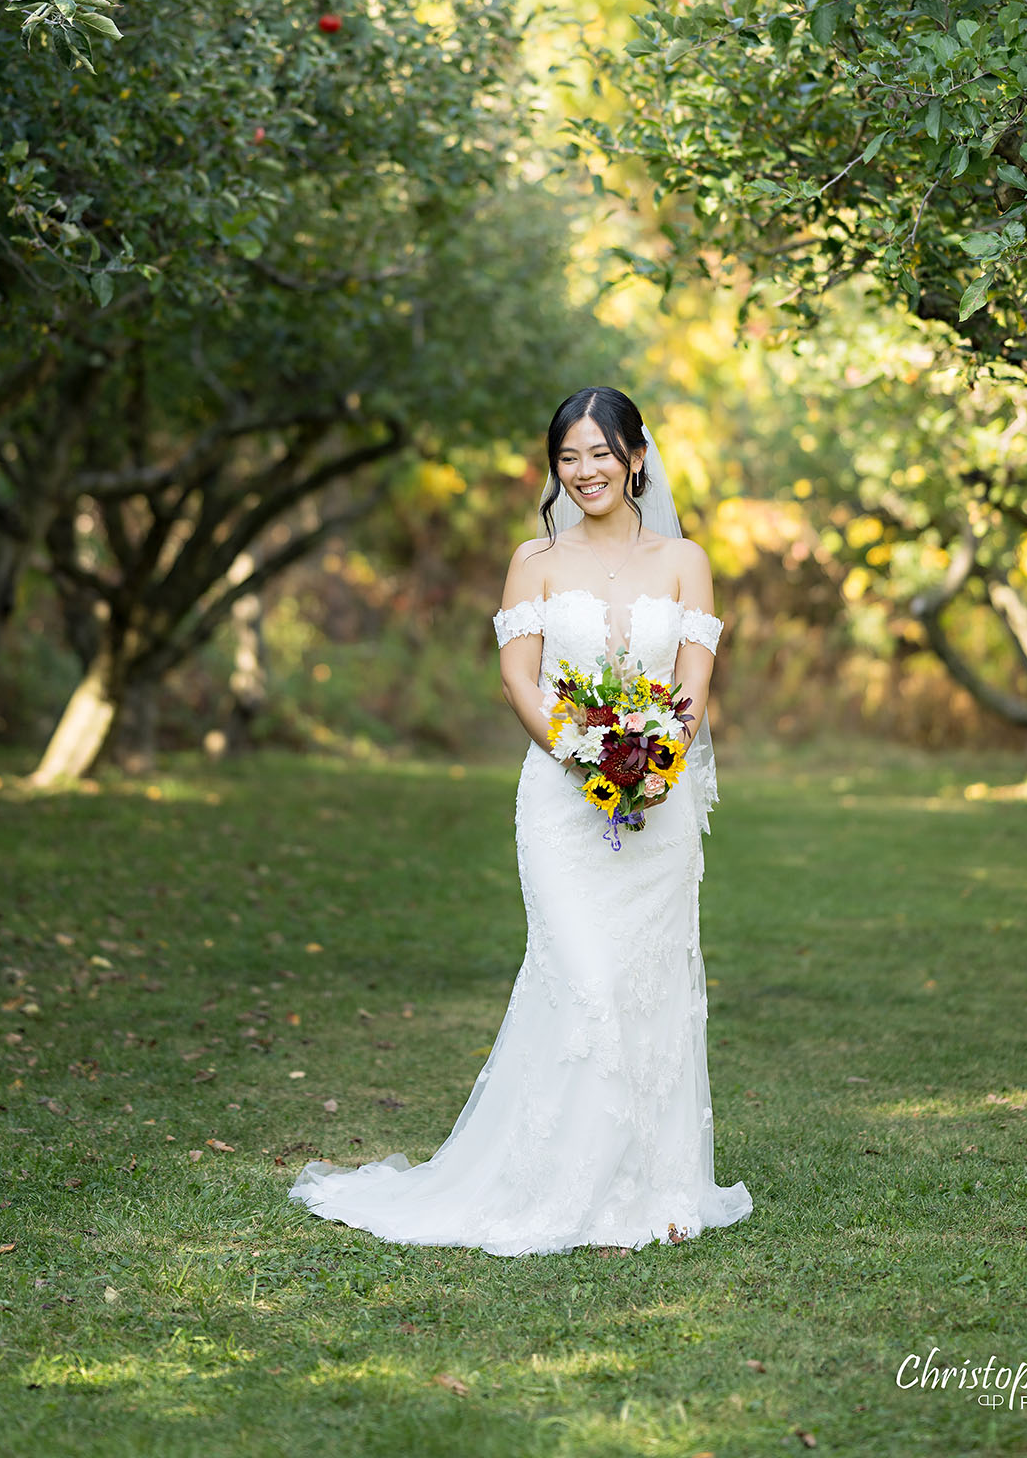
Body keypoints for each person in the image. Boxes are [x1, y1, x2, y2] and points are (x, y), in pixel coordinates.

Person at [288, 385, 752, 1255]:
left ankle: (648, 1189)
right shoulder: (533, 559)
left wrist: (655, 761)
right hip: (560, 799)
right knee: (581, 978)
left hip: (661, 798)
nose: (586, 471)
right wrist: (590, 762)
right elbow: (517, 679)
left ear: (636, 458)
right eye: (569, 457)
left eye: (601, 454)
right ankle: (559, 1187)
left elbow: (692, 680)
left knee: (646, 986)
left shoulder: (685, 559)